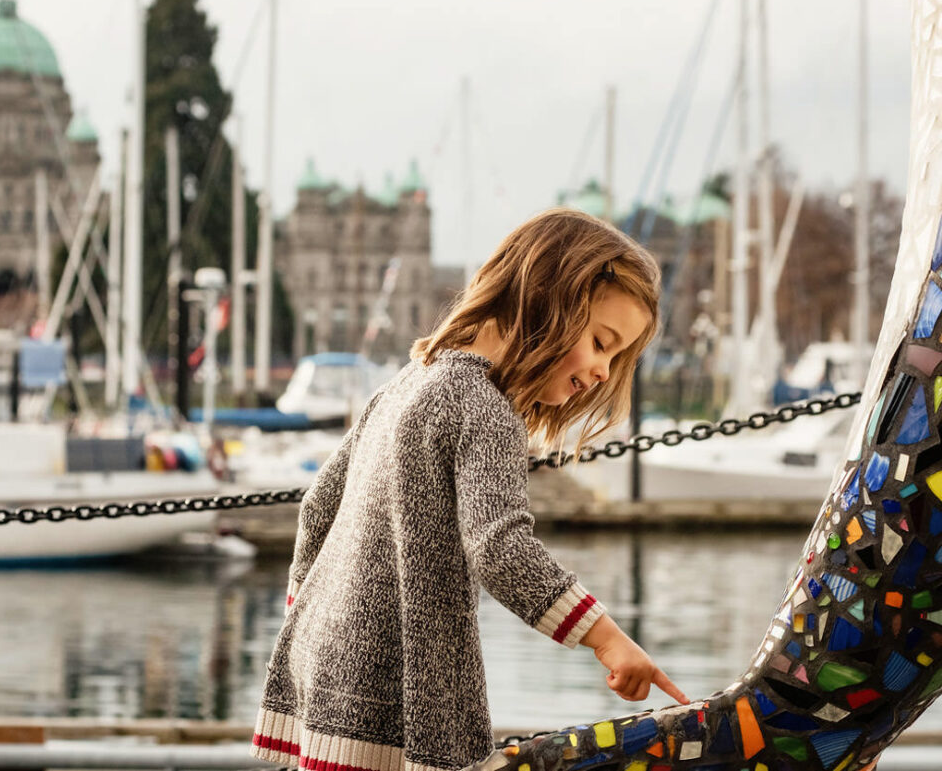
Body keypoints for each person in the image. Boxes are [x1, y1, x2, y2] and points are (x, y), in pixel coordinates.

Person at [251, 208, 689, 771]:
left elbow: (317, 510)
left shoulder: (408, 382)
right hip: (397, 699)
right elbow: (500, 549)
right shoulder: (486, 410)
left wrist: (313, 626)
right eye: (602, 342)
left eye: (615, 356)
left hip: (323, 674)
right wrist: (607, 639)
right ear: (547, 299)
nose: (604, 372)